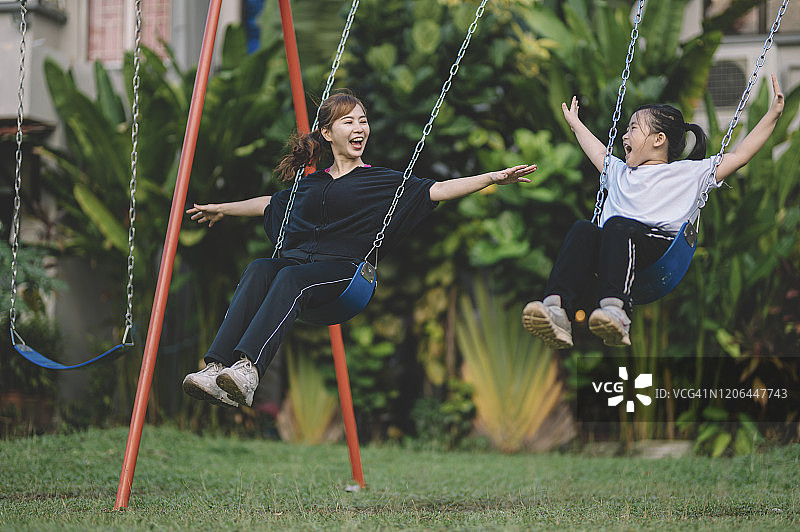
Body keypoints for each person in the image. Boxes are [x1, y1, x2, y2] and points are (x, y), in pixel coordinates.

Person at [182, 90, 537, 407]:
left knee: (291, 277)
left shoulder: (380, 181)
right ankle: (216, 368)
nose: (359, 128)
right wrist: (223, 209)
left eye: (363, 121)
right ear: (327, 133)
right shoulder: (312, 182)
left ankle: (249, 371)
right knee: (260, 268)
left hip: (343, 274)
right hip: (299, 266)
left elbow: (439, 190)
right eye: (348, 121)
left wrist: (492, 178)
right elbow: (270, 204)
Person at [523, 75, 784, 349]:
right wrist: (576, 125)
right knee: (583, 229)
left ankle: (616, 312)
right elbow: (598, 151)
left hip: (659, 249)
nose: (625, 135)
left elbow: (739, 156)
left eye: (633, 128)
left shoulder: (688, 173)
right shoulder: (620, 173)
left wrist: (773, 115)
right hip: (616, 249)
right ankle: (556, 309)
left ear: (659, 139)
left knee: (618, 226)